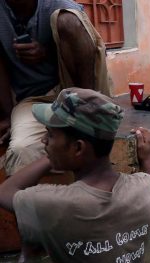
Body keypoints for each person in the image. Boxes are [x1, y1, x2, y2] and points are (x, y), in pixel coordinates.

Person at [0, 88, 150, 262]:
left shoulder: (53, 203)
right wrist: (147, 160)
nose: (44, 140)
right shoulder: (146, 186)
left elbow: (5, 192)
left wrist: (51, 158)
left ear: (78, 148)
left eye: (51, 135)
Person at [0, 0, 112, 178]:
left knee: (67, 20)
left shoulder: (58, 6)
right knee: (21, 149)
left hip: (75, 90)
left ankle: (86, 113)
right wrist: (7, 114)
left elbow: (88, 50)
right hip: (33, 99)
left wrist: (46, 53)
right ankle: (44, 202)